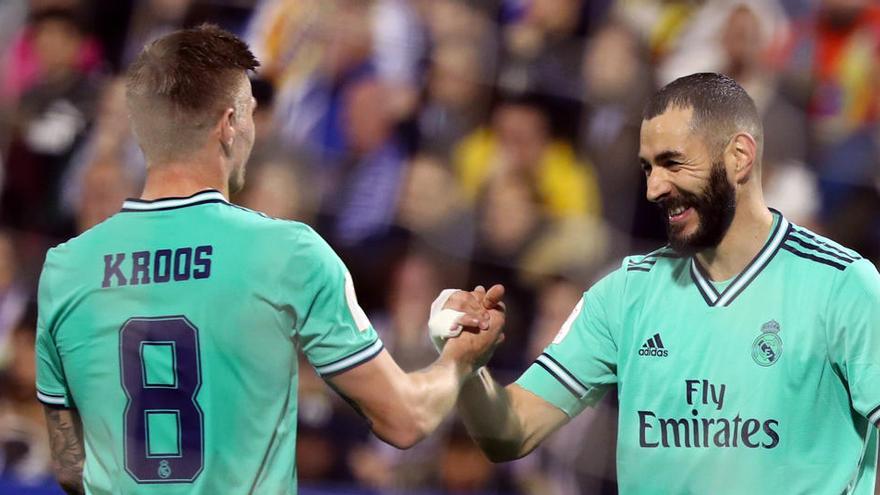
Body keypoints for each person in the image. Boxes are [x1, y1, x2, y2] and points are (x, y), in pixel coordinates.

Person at [34, 25, 505, 495]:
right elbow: (405, 420)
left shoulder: (65, 268)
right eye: (252, 114)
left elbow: (69, 465)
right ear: (228, 124)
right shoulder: (287, 252)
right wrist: (460, 358)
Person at [453, 73, 880, 494]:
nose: (654, 188)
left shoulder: (842, 286)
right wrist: (469, 370)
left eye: (672, 162)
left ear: (739, 157)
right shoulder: (623, 294)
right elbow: (510, 434)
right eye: (647, 168)